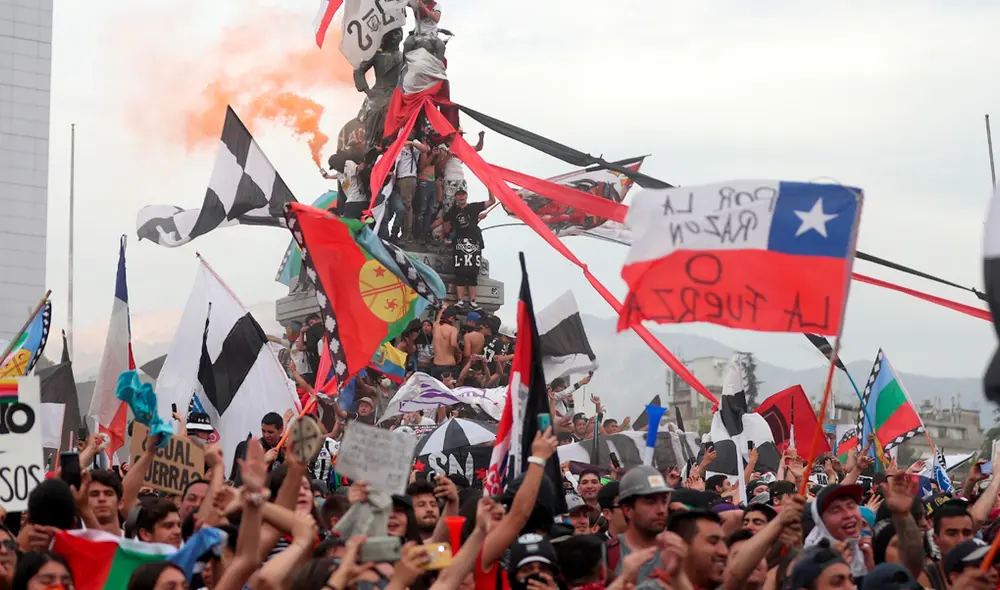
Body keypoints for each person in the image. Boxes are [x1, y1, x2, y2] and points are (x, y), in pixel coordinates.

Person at [432, 189, 496, 310]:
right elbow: (445, 220)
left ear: (466, 196)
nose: (461, 197)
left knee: (473, 272)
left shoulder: (474, 207)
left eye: (463, 195)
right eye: (458, 195)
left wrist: (489, 187)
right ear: (456, 198)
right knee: (459, 271)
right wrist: (442, 232)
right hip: (459, 241)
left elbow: (492, 201)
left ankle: (473, 301)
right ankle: (460, 300)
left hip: (474, 241)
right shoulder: (454, 211)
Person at [616, 465, 671, 579]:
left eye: (664, 501)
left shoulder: (676, 552)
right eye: (651, 502)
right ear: (628, 510)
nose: (661, 510)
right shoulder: (607, 554)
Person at [230, 412, 285, 483]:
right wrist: (263, 460)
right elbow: (242, 478)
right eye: (263, 431)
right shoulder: (256, 447)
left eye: (270, 432)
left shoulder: (287, 446)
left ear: (280, 430)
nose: (266, 435)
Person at [325, 153, 367, 219]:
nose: (336, 169)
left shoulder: (348, 164)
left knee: (347, 222)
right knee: (355, 225)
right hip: (351, 202)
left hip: (358, 199)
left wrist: (362, 164)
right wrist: (327, 176)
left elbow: (358, 169)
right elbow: (336, 176)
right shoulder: (339, 174)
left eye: (335, 167)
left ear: (338, 163)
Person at [432, 306, 461, 379]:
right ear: (451, 318)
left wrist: (443, 307)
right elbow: (453, 343)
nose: (454, 322)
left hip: (436, 364)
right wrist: (459, 352)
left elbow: (438, 319)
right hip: (449, 365)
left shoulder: (436, 326)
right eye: (454, 320)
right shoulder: (453, 329)